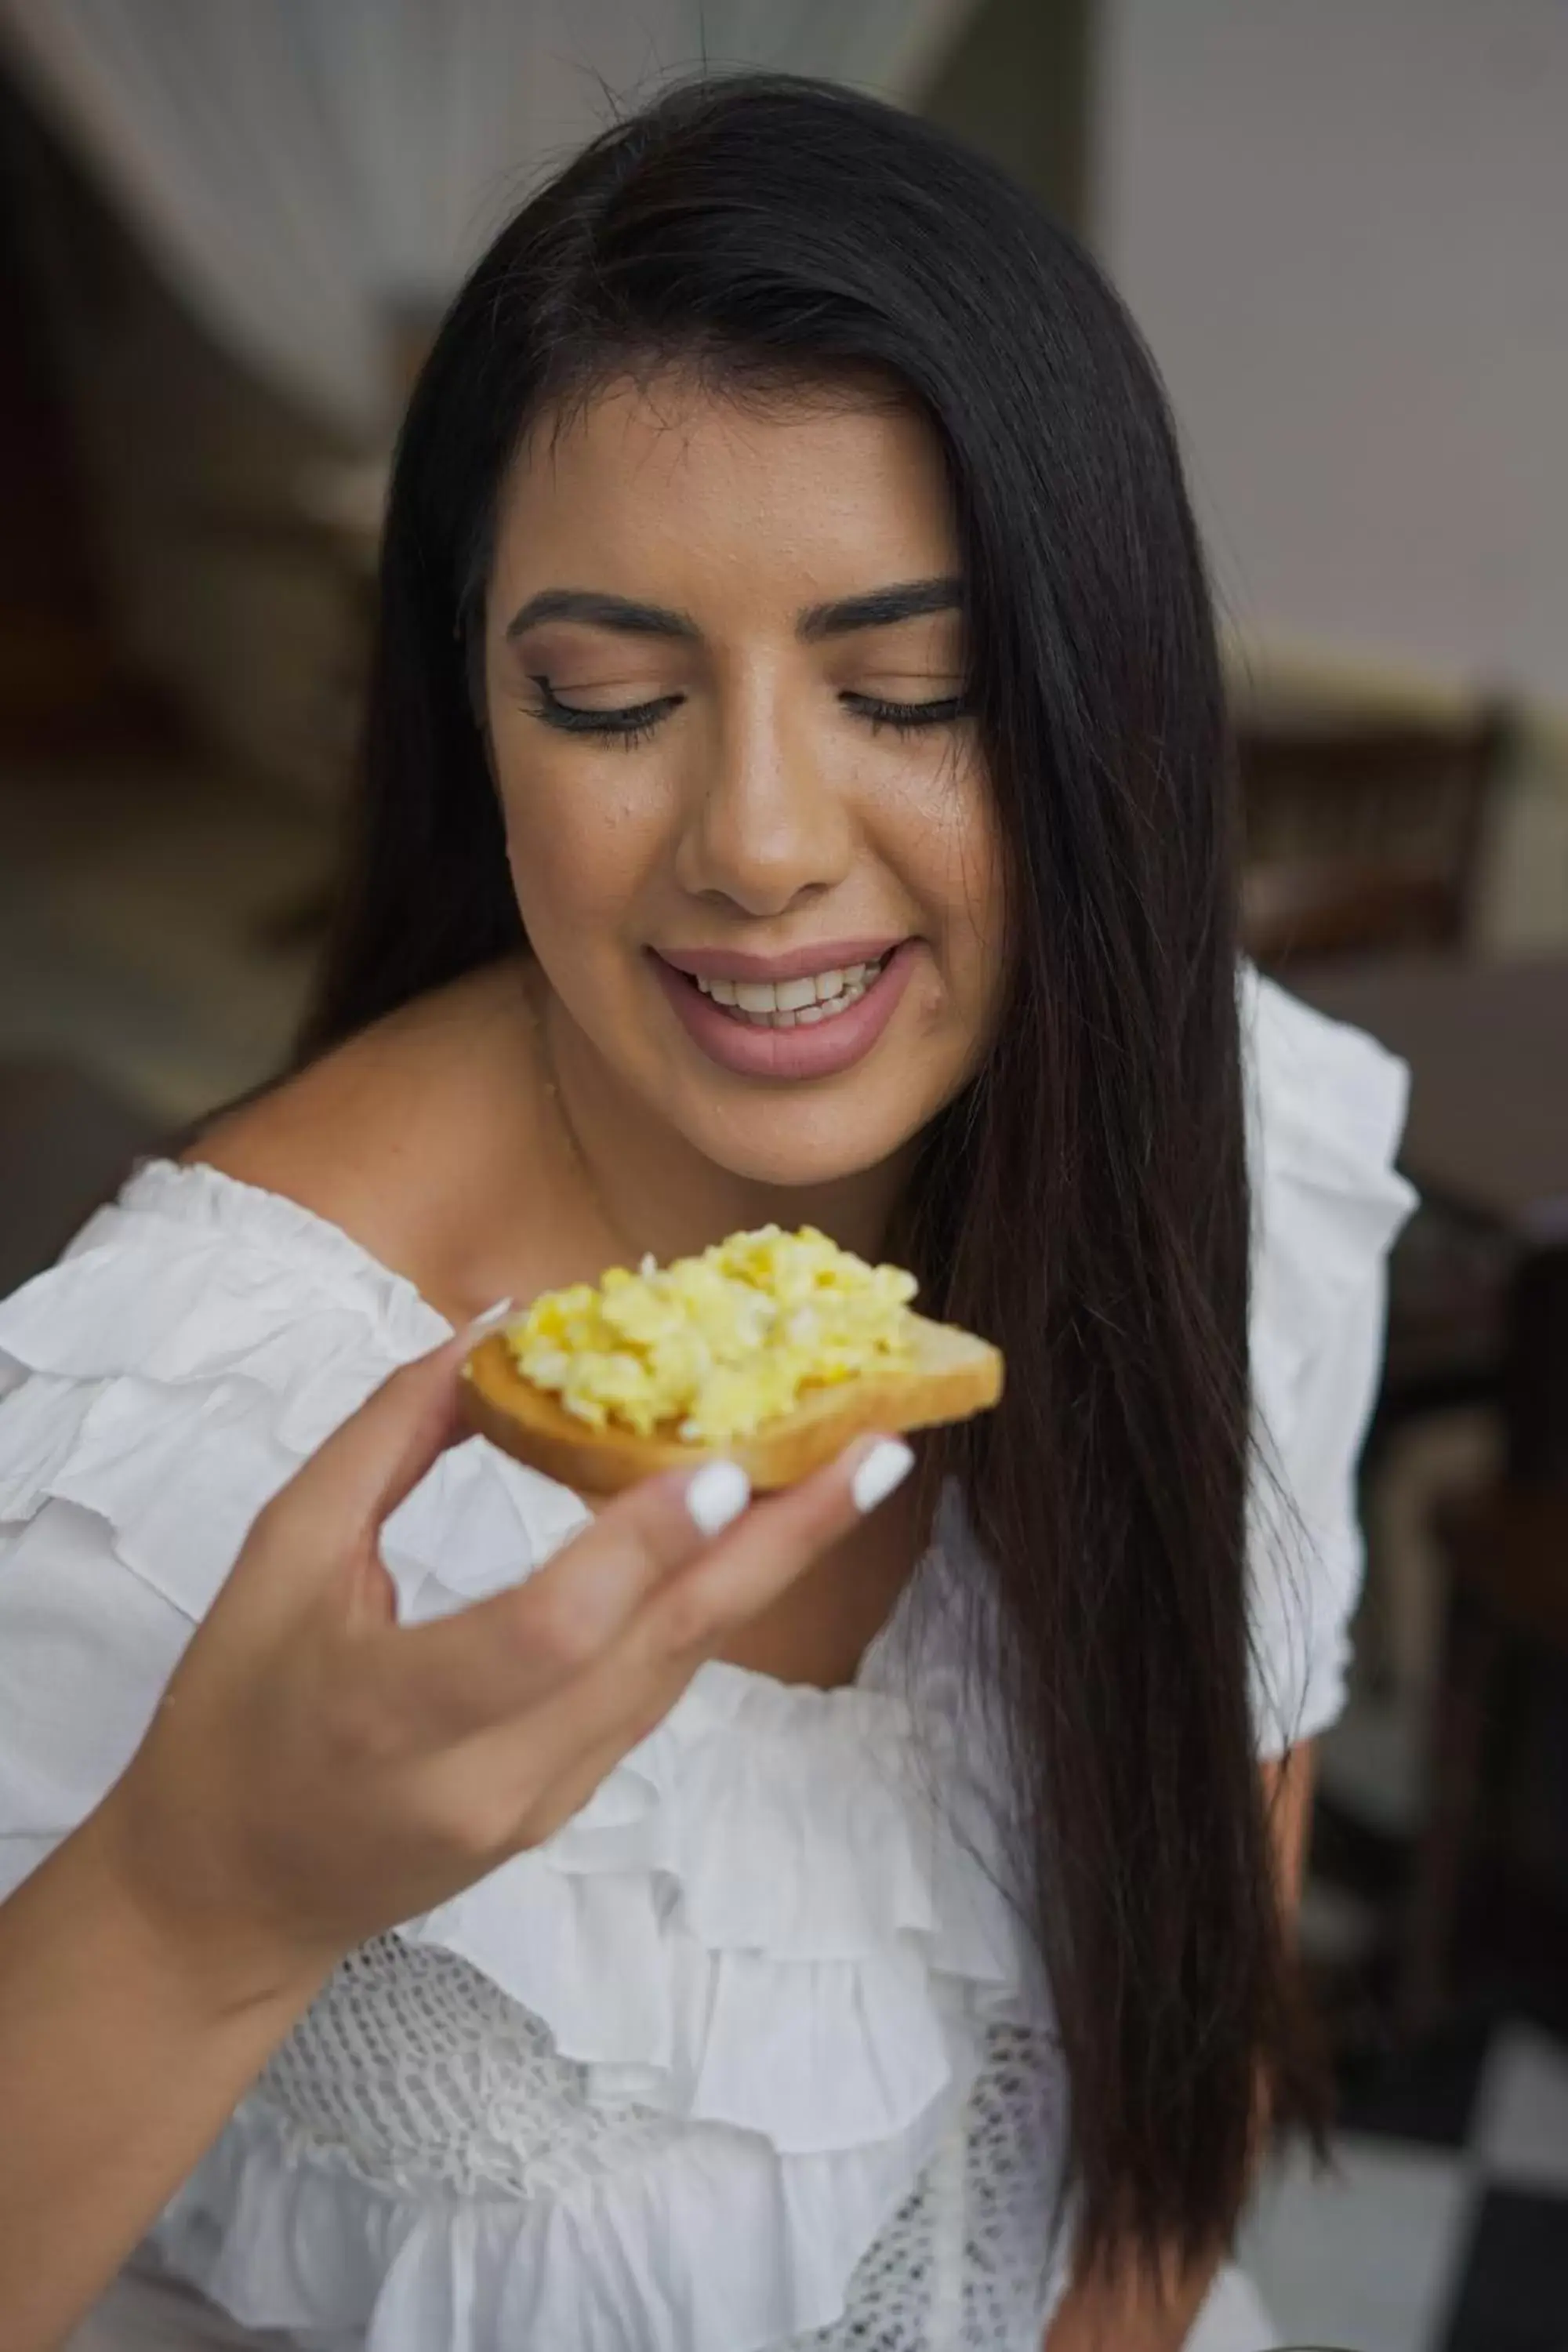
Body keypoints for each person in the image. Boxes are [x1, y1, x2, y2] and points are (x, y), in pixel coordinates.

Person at [0, 72, 1414, 2352]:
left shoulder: (1218, 1144)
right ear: (479, 709)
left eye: (910, 689)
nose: (758, 839)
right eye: (613, 696)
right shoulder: (190, 1420)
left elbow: (1188, 2074)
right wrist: (199, 1896)